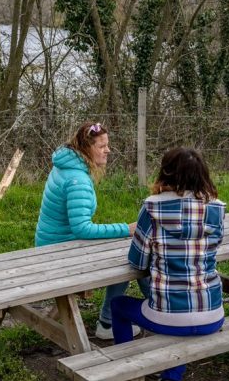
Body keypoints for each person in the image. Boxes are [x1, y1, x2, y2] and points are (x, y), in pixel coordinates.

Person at [111, 147, 226, 381]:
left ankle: (129, 371)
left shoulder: (152, 208)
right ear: (203, 175)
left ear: (166, 173)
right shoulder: (217, 210)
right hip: (212, 313)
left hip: (168, 313)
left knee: (118, 306)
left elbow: (137, 260)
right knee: (184, 319)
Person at [35, 121, 147, 340]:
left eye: (108, 144)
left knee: (129, 253)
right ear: (86, 148)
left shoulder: (64, 165)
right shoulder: (78, 181)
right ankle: (112, 322)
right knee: (128, 258)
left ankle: (154, 310)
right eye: (102, 146)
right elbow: (82, 229)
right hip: (60, 252)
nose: (108, 150)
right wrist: (127, 228)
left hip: (49, 245)